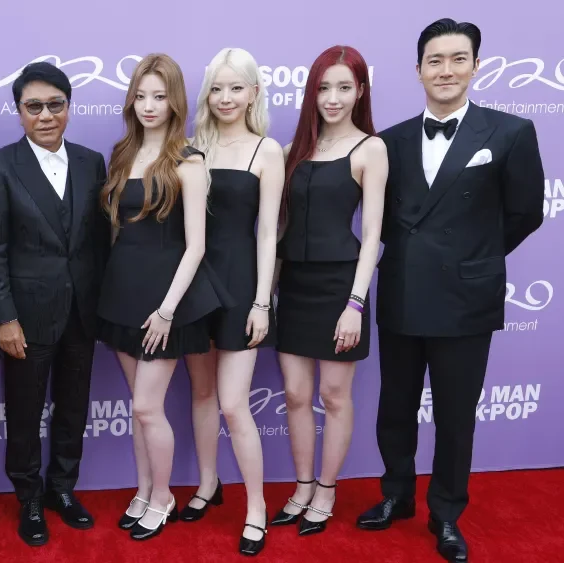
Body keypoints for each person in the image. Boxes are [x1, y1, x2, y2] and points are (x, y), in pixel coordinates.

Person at [357, 19, 545, 563]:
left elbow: (525, 213)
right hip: (403, 291)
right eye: (434, 60)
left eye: (458, 59)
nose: (446, 70)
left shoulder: (510, 132)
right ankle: (396, 495)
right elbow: (381, 220)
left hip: (467, 300)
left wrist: (473, 257)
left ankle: (445, 513)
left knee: (456, 416)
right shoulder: (388, 141)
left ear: (476, 66)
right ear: (418, 70)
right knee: (395, 408)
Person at [0, 61, 109, 547]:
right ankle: (29, 497)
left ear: (69, 107)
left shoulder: (93, 162)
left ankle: (62, 489)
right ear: (19, 111)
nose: (46, 115)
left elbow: (98, 242)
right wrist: (5, 317)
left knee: (74, 407)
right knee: (25, 412)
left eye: (55, 104)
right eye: (34, 106)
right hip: (26, 317)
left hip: (82, 313)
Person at [97, 53, 226, 542]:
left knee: (148, 408)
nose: (149, 105)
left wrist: (168, 310)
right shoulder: (122, 154)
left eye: (159, 96)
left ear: (176, 102)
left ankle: (164, 496)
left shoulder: (188, 160)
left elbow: (196, 247)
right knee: (139, 407)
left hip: (167, 300)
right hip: (122, 292)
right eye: (141, 96)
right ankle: (144, 489)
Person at [269, 45, 387, 536]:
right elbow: (278, 228)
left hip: (341, 286)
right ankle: (301, 486)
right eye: (323, 87)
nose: (332, 98)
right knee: (296, 394)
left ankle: (327, 488)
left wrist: (355, 304)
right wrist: (266, 294)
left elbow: (373, 235)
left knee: (334, 396)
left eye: (343, 87)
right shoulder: (293, 151)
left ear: (360, 90)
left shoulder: (371, 149)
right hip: (294, 285)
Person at [183, 47, 284, 556]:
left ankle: (256, 507)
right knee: (201, 395)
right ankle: (207, 484)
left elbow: (268, 233)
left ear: (253, 92)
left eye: (236, 88)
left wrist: (262, 301)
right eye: (217, 89)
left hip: (243, 286)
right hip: (195, 286)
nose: (225, 98)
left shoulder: (267, 150)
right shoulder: (191, 149)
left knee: (232, 403)